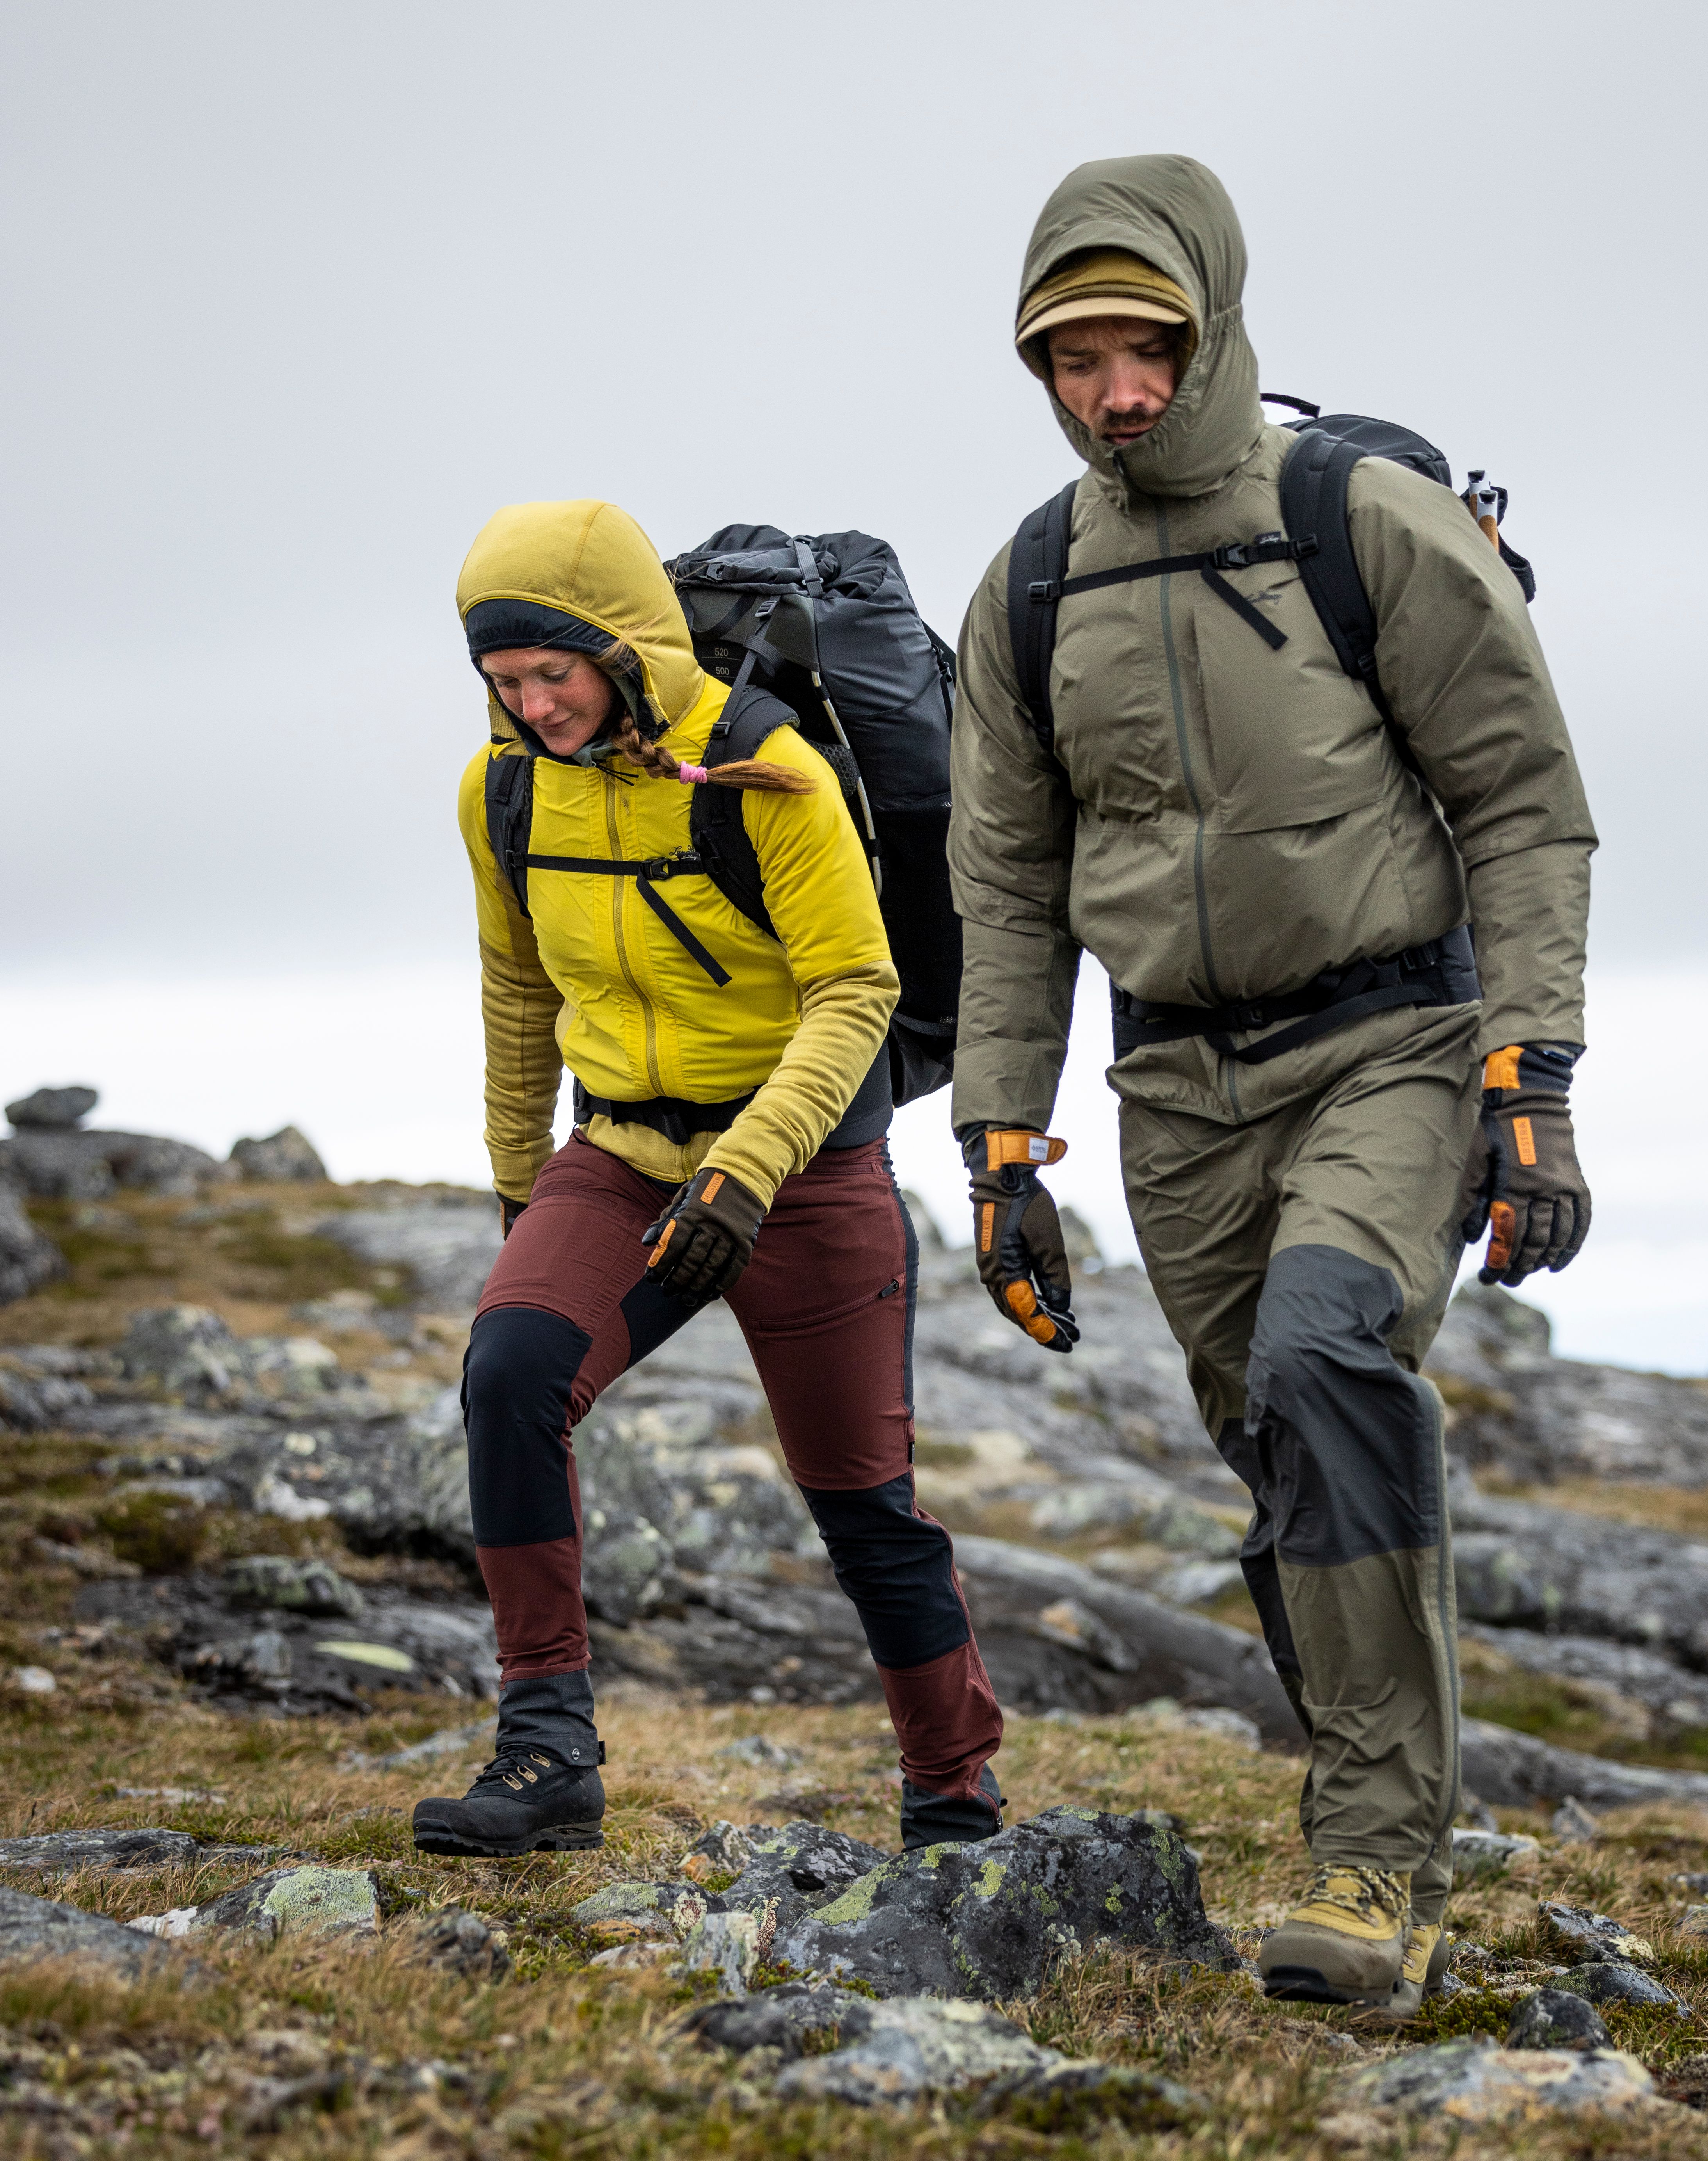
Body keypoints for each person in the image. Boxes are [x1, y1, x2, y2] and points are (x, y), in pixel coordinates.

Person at [949, 157, 1596, 2010]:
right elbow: (1003, 883)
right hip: (1177, 1092)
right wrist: (1001, 1149)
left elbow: (1523, 800)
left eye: (1143, 345)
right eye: (1072, 358)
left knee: (1329, 1363)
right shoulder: (1035, 582)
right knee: (1279, 1459)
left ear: (1211, 322)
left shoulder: (1359, 517)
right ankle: (1365, 1802)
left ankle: (1376, 1870)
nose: (1115, 389)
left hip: (1390, 1039)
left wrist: (1526, 1072)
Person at [413, 498, 1003, 1857]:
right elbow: (517, 989)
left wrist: (747, 1173)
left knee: (861, 1501)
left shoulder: (769, 769)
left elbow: (860, 990)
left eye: (552, 673)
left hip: (801, 1164)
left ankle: (955, 1793)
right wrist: (521, 1190)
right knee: (509, 1375)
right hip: (618, 1153)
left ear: (625, 646)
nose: (532, 705)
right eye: (502, 682)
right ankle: (547, 1750)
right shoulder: (499, 788)